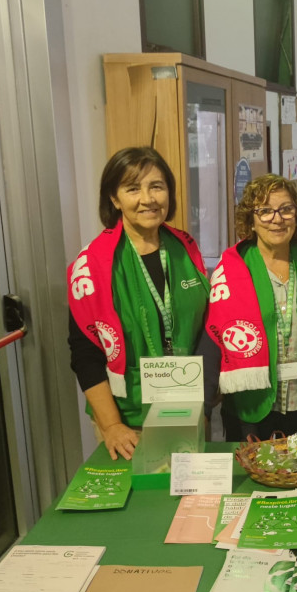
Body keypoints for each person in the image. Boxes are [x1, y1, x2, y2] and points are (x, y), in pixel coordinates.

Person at [67, 147, 211, 460]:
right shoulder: (94, 265)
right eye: (133, 189)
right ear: (114, 199)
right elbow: (84, 353)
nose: (147, 199)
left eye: (156, 187)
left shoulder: (185, 247)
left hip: (186, 407)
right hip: (129, 423)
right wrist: (112, 425)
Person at [207, 174, 297, 441]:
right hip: (253, 404)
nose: (277, 218)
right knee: (255, 477)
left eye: (286, 209)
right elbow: (215, 332)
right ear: (250, 219)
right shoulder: (233, 267)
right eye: (264, 211)